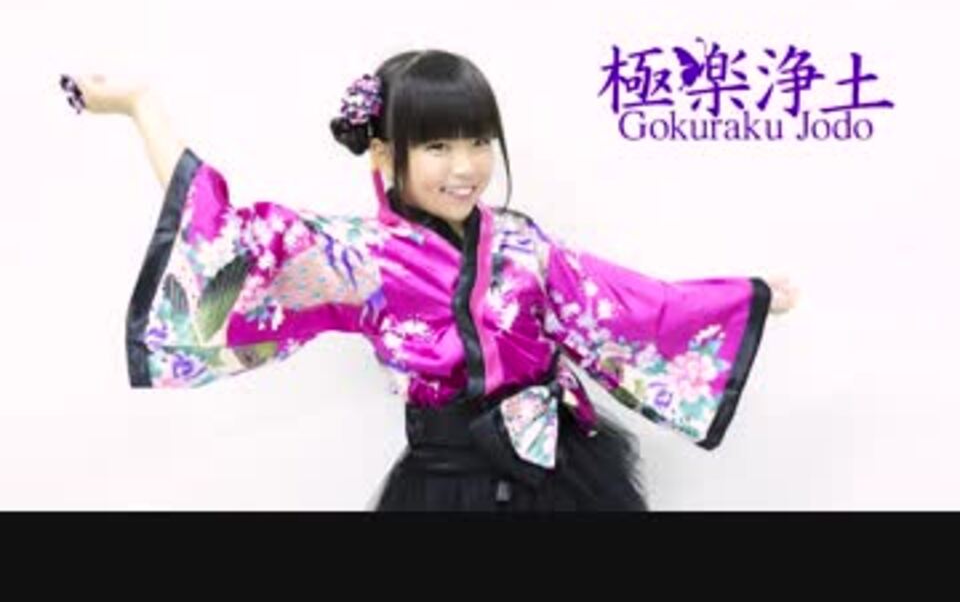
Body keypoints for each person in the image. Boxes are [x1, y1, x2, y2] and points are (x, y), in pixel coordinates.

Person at [60, 49, 798, 511]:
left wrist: (744, 297)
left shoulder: (523, 243)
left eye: (478, 141)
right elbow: (228, 240)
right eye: (438, 145)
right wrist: (141, 107)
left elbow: (629, 305)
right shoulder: (358, 261)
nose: (466, 166)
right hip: (446, 488)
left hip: (560, 475)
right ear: (385, 154)